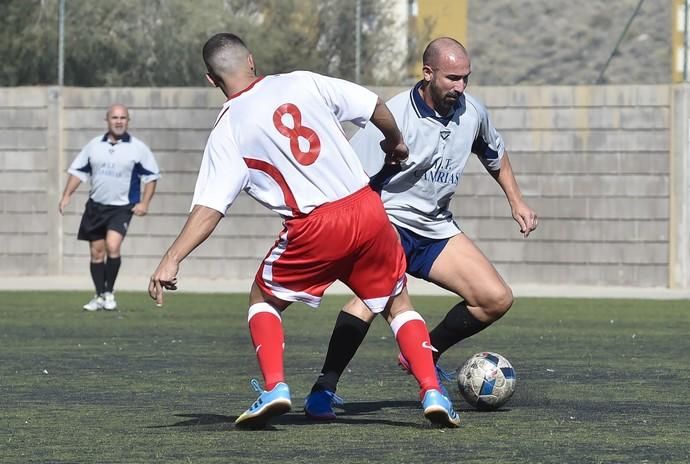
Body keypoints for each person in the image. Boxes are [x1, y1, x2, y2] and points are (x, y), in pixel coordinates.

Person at [147, 33, 460, 430]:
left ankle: (276, 386)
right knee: (397, 303)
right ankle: (432, 390)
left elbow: (210, 208)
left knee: (263, 296)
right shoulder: (301, 80)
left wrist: (171, 258)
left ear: (211, 79)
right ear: (252, 61)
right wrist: (395, 142)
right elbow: (373, 105)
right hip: (367, 209)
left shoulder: (228, 128)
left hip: (315, 225)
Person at [304, 37, 538, 419]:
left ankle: (422, 352)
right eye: (452, 78)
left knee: (495, 298)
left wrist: (517, 200)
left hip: (435, 228)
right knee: (369, 300)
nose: (460, 87)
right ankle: (324, 389)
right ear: (427, 73)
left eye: (466, 78)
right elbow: (349, 173)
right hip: (386, 224)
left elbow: (494, 154)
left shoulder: (472, 112)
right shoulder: (393, 114)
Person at [59, 104, 160, 311]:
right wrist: (66, 195)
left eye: (123, 117)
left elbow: (151, 177)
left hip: (121, 208)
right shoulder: (94, 146)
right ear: (107, 120)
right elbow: (78, 172)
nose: (119, 121)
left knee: (112, 246)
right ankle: (99, 295)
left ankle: (109, 293)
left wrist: (145, 203)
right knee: (96, 253)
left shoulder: (137, 148)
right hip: (96, 207)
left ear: (128, 121)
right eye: (115, 117)